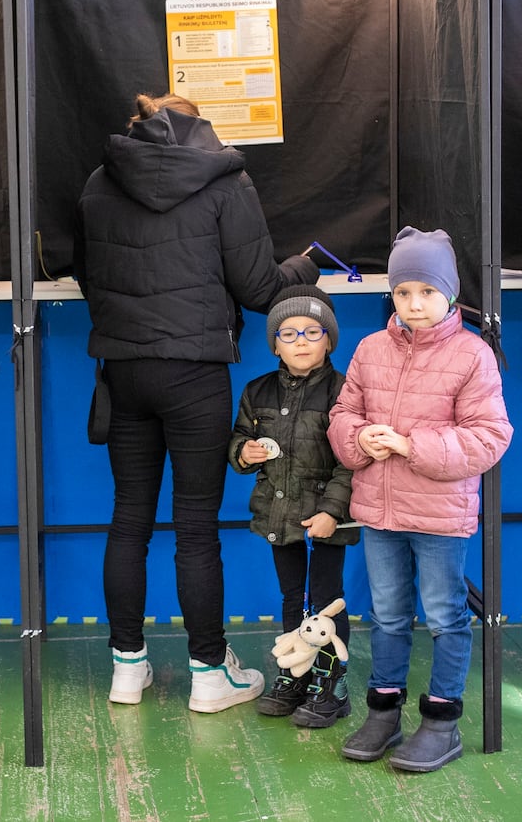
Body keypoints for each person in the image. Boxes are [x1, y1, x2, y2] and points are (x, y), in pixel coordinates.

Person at [75, 92, 318, 713]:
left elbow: (85, 270)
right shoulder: (226, 180)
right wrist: (302, 269)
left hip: (123, 372)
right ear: (199, 128)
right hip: (194, 374)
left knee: (129, 519)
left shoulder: (101, 181)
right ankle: (210, 673)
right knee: (195, 529)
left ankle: (127, 666)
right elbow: (261, 289)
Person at [327, 227, 512, 773]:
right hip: (380, 515)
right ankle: (384, 714)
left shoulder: (471, 354)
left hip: (438, 518)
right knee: (386, 615)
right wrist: (359, 439)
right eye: (404, 292)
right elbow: (343, 416)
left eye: (427, 292)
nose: (415, 304)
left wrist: (409, 445)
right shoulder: (370, 349)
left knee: (444, 617)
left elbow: (490, 436)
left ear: (450, 293)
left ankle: (440, 723)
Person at [228, 284, 358, 728]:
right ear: (275, 344)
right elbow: (238, 440)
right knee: (291, 598)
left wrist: (332, 513)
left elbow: (351, 461)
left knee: (326, 601)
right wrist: (244, 453)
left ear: (329, 339)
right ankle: (294, 674)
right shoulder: (256, 390)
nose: (300, 341)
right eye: (288, 333)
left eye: (311, 331)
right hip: (278, 513)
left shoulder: (345, 391)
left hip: (327, 515)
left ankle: (332, 684)